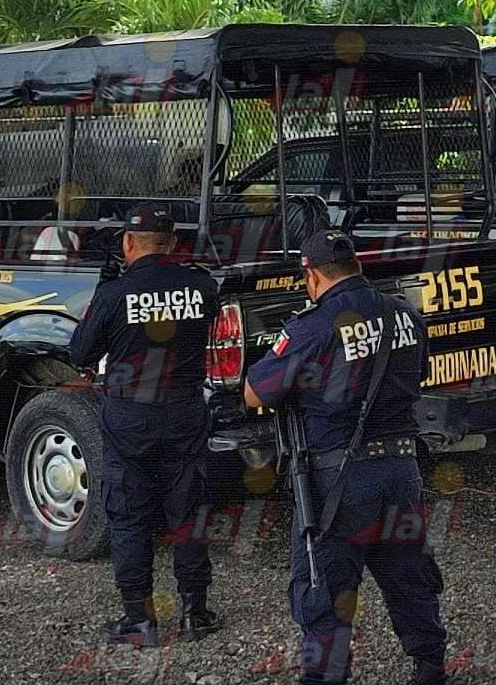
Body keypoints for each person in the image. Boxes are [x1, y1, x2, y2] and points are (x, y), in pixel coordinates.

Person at [244, 229, 446, 685]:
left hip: (338, 481)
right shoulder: (404, 314)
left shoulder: (312, 327)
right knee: (408, 575)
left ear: (312, 276)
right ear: (357, 265)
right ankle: (431, 664)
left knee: (326, 588)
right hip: (401, 471)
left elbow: (256, 392)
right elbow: (418, 375)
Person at [70, 203, 221, 648]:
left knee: (129, 518)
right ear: (172, 243)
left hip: (129, 419)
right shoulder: (202, 286)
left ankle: (140, 620)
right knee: (189, 514)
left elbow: (79, 354)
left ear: (128, 242)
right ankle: (195, 614)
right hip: (184, 413)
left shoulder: (114, 293)